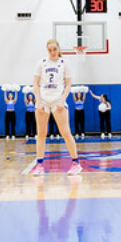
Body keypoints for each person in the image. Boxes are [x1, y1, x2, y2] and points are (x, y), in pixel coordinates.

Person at [32, 39, 80, 175]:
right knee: (41, 134)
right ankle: (39, 165)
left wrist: (62, 100)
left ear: (59, 48)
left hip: (58, 99)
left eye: (54, 49)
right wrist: (38, 101)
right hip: (43, 100)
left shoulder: (65, 63)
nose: (52, 52)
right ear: (47, 50)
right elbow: (35, 84)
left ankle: (76, 163)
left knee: (65, 132)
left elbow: (68, 85)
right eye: (50, 50)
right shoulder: (41, 63)